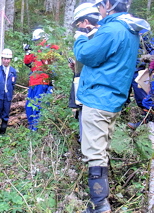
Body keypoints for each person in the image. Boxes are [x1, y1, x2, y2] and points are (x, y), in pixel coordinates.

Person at [73, 0, 150, 212]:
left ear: (109, 4)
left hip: (98, 99)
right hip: (113, 100)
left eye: (100, 5)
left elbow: (86, 55)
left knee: (94, 153)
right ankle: (101, 201)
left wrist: (80, 37)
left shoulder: (112, 29)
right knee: (102, 149)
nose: (99, 10)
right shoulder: (128, 28)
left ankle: (99, 205)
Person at [68, 3, 101, 143]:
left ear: (85, 22)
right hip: (84, 88)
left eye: (78, 24)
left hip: (91, 93)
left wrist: (81, 38)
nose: (78, 27)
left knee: (90, 135)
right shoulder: (94, 38)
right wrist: (76, 67)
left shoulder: (96, 37)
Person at [23, 28, 59, 131]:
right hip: (33, 82)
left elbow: (57, 52)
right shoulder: (36, 50)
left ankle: (36, 129)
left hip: (43, 81)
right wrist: (27, 51)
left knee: (38, 105)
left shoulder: (49, 47)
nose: (37, 42)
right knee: (29, 106)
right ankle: (32, 127)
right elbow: (27, 62)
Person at [127, 30, 154, 129]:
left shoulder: (142, 31)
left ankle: (146, 124)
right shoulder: (118, 31)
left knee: (143, 98)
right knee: (122, 97)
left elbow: (152, 49)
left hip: (139, 70)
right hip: (123, 70)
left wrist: (148, 60)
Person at [0, 48, 17, 134]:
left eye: (8, 59)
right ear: (2, 59)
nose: (6, 61)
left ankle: (2, 133)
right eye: (4, 59)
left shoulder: (13, 71)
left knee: (5, 115)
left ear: (10, 60)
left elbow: (13, 83)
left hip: (7, 96)